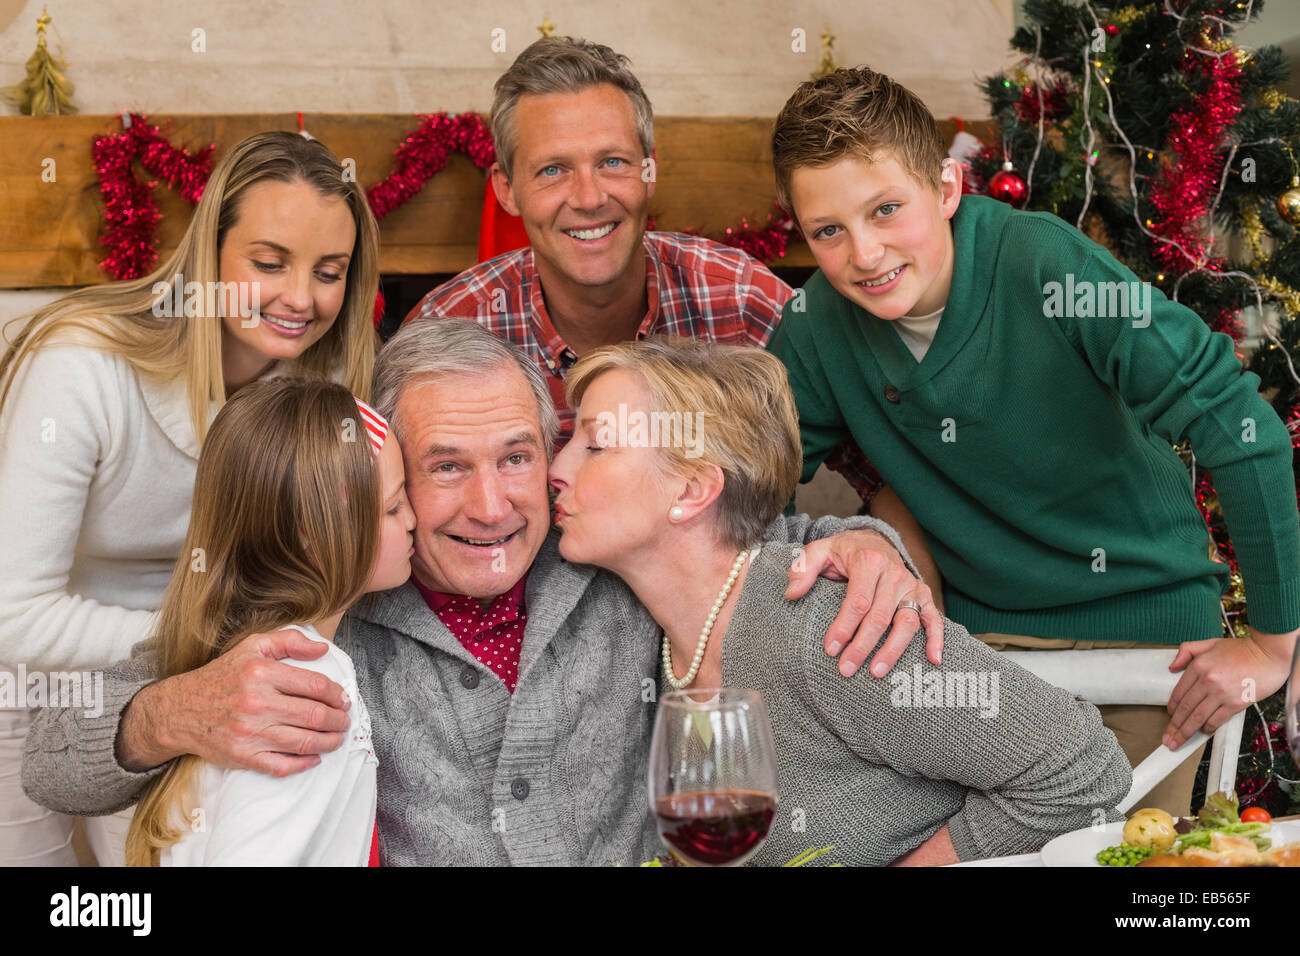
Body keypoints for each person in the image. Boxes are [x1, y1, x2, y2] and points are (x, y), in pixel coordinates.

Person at [23, 320, 941, 866]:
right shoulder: (328, 603)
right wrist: (174, 711)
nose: (493, 505)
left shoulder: (607, 551)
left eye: (516, 457)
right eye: (446, 468)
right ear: (384, 476)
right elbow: (53, 756)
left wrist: (865, 540)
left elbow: (754, 538)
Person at [764, 66, 1300, 814]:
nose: (864, 253)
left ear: (947, 189)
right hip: (978, 658)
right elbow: (747, 486)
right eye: (828, 230)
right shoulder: (815, 325)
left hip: (1148, 643)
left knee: (1127, 876)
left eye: (886, 210)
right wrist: (854, 540)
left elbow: (1241, 427)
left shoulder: (1048, 264)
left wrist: (1273, 641)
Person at [404, 36, 940, 658]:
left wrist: (891, 568)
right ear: (506, 189)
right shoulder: (453, 327)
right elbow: (389, 517)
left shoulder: (745, 302)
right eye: (552, 170)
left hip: (742, 651)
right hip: (533, 667)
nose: (587, 197)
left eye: (612, 162)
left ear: (650, 168)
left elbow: (888, 472)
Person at [547, 336, 1132, 865]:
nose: (555, 469)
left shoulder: (824, 628)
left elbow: (1081, 769)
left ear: (692, 489)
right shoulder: (650, 628)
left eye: (596, 446)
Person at [0, 130, 380, 866]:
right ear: (209, 253)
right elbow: (9, 615)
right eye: (269, 263)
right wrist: (204, 641)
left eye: (329, 271)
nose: (300, 298)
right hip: (33, 682)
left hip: (198, 671)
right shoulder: (81, 365)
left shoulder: (315, 390)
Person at [125, 380, 413, 866]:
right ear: (314, 538)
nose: (411, 520)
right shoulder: (308, 679)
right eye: (392, 506)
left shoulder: (234, 647)